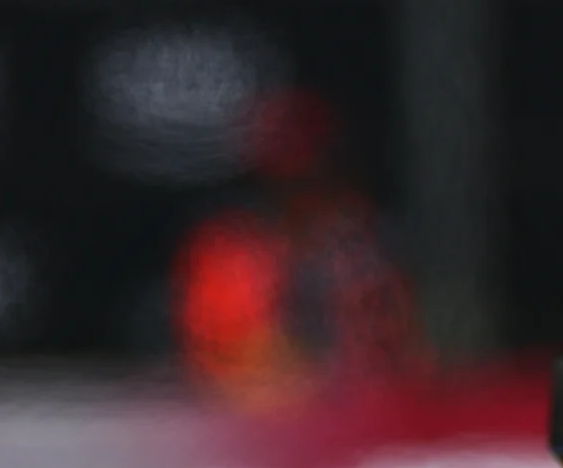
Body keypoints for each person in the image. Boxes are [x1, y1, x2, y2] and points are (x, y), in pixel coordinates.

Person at [169, 89, 420, 407]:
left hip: (367, 414)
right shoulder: (233, 246)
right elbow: (227, 362)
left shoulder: (366, 243)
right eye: (289, 180)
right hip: (258, 423)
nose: (303, 190)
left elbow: (404, 354)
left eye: (319, 171)